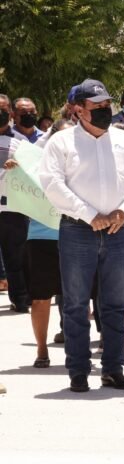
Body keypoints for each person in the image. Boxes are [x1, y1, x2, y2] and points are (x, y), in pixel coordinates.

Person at [39, 79, 124, 392]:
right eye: (97, 106)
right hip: (78, 230)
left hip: (118, 230)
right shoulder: (60, 143)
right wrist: (91, 215)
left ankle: (113, 369)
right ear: (78, 110)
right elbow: (52, 184)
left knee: (116, 304)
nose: (105, 110)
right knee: (75, 304)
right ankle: (78, 371)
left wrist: (123, 211)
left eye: (107, 105)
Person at [6, 119, 72, 367]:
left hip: (75, 237)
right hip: (41, 238)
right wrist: (17, 170)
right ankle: (42, 351)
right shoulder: (35, 163)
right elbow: (21, 187)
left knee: (77, 298)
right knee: (40, 298)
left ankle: (76, 349)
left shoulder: (84, 164)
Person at [0, 95, 32, 313]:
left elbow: (32, 172)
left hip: (13, 209)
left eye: (3, 109)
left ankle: (20, 298)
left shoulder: (21, 141)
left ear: (10, 112)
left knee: (16, 256)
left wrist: (18, 167)